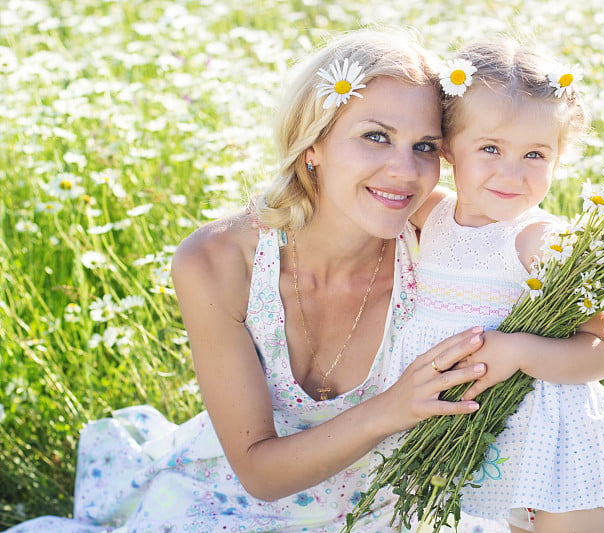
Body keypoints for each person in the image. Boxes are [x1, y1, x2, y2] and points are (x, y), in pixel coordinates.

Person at [4, 30, 510, 533]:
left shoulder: (445, 237)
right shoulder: (218, 261)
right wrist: (392, 409)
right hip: (235, 503)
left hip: (388, 503)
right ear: (313, 144)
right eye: (375, 136)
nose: (404, 170)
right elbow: (259, 473)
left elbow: (562, 280)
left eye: (424, 146)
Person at [375, 39, 604, 533]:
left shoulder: (541, 242)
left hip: (555, 443)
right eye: (490, 149)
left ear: (559, 157)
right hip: (471, 437)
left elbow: (598, 355)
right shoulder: (430, 213)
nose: (512, 173)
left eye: (535, 154)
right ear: (448, 148)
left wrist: (519, 351)